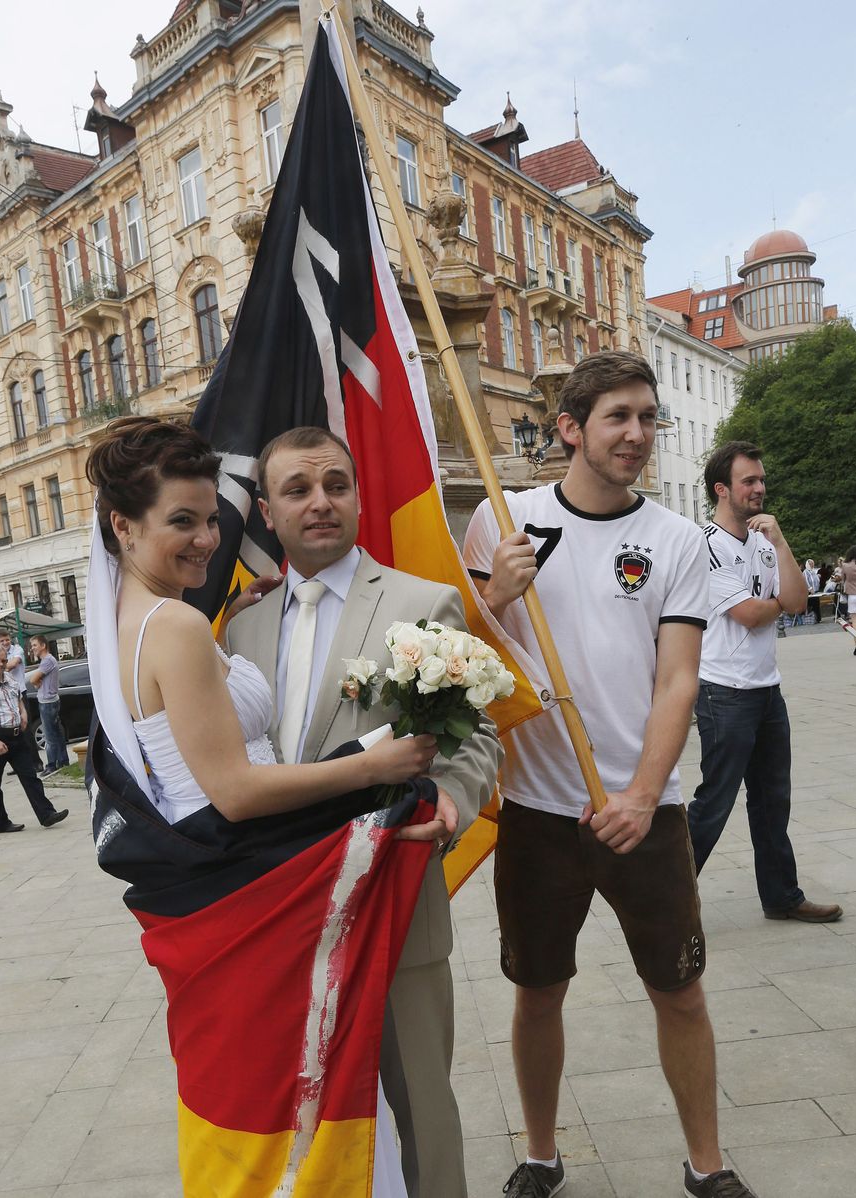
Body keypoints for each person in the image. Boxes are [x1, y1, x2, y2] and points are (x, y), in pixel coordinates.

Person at [85, 416, 443, 1198]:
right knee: (307, 1109)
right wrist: (370, 766)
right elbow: (237, 791)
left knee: (257, 1112)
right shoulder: (177, 624)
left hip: (219, 904)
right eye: (181, 520)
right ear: (123, 524)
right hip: (260, 902)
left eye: (211, 518)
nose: (206, 539)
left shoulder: (128, 628)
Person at [465, 351, 759, 1198]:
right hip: (536, 809)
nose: (637, 435)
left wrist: (640, 794)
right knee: (537, 992)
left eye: (647, 417)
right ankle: (542, 1153)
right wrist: (498, 595)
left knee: (682, 992)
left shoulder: (675, 540)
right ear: (570, 429)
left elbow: (678, 679)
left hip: (645, 810)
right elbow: (468, 664)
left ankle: (707, 1163)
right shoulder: (502, 521)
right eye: (617, 417)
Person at [226, 426, 503, 1198]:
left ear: (357, 495)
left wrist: (452, 797)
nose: (321, 503)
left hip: (393, 908)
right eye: (298, 490)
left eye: (336, 485)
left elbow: (474, 734)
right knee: (303, 1110)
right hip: (281, 914)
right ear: (268, 513)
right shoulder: (242, 628)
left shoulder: (419, 604)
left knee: (419, 1105)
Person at [687, 442, 841, 926]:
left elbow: (798, 602)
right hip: (723, 691)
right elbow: (750, 614)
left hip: (766, 690)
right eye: (749, 481)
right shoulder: (703, 546)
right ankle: (663, 898)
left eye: (761, 479)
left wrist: (781, 543)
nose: (759, 488)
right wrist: (775, 601)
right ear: (722, 489)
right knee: (714, 800)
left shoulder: (764, 542)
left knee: (773, 799)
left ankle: (782, 896)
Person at [0, 643, 69, 834]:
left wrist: (23, 714)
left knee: (30, 777)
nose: (1, 664)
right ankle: (1, 823)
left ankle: (46, 814)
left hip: (15, 735)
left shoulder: (10, 679)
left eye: (4, 660)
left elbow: (18, 700)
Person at [0, 630, 43, 767]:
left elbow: (12, 664)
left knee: (25, 727)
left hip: (19, 693)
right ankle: (18, 764)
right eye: (2, 641)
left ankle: (36, 762)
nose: (5, 643)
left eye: (7, 639)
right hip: (4, 695)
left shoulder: (17, 649)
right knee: (10, 729)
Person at [28, 634, 70, 774]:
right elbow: (36, 680)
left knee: (50, 735)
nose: (32, 648)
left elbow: (33, 679)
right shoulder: (47, 661)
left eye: (34, 645)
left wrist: (36, 682)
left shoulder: (47, 661)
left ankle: (51, 764)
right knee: (57, 733)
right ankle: (63, 761)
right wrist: (37, 682)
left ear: (43, 645)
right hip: (50, 700)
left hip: (47, 702)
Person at [803, 558, 821, 624]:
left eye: (813, 564)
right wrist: (810, 589)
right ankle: (812, 618)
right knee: (812, 605)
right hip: (810, 592)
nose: (812, 565)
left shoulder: (813, 571)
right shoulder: (805, 572)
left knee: (817, 605)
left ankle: (818, 618)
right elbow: (806, 581)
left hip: (816, 591)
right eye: (811, 564)